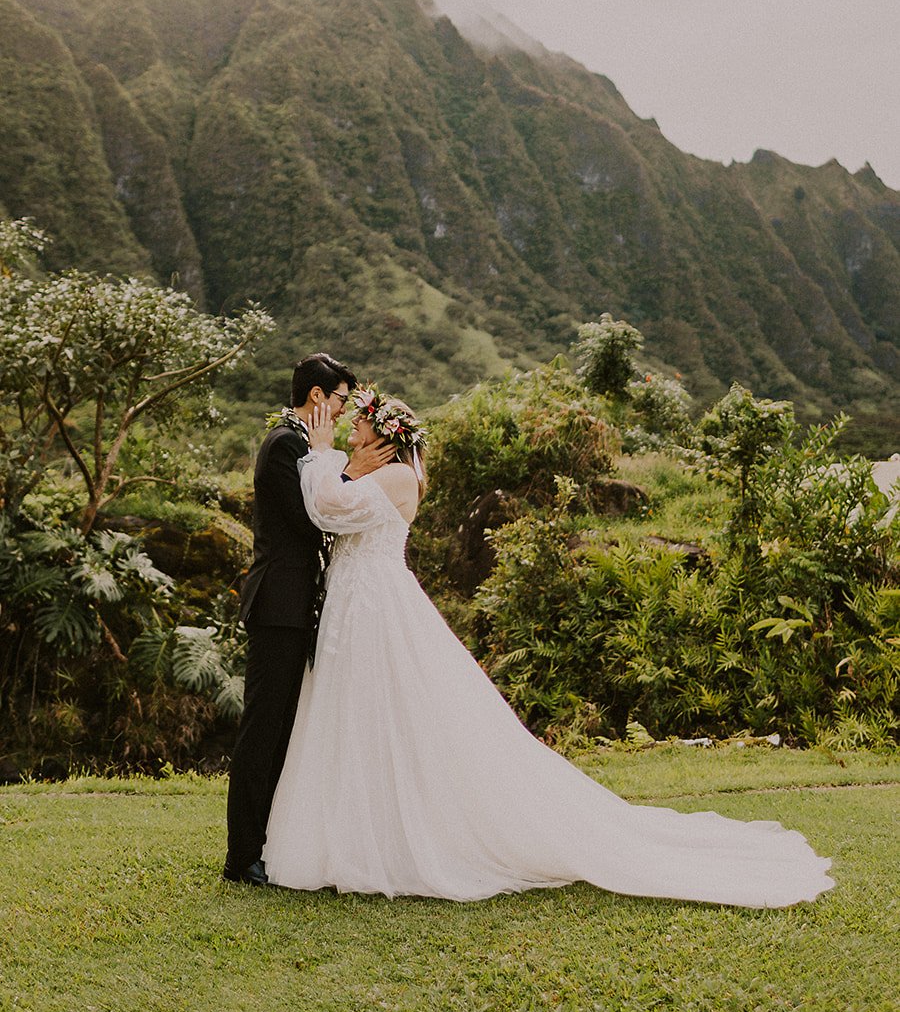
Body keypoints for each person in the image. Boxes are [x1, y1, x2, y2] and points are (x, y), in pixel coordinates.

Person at [263, 388, 835, 908]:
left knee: (394, 715)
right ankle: (357, 832)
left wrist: (319, 453)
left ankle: (395, 839)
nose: (351, 431)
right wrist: (340, 463)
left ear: (384, 436)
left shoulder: (394, 479)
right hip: (354, 605)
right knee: (359, 718)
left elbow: (327, 510)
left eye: (360, 425)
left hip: (375, 607)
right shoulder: (373, 470)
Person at [223, 353, 392, 885]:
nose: (344, 410)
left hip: (300, 606)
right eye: (342, 399)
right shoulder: (284, 445)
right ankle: (241, 854)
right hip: (277, 605)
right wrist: (350, 472)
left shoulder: (304, 445)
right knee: (262, 728)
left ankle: (269, 842)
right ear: (317, 396)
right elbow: (312, 516)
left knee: (284, 731)